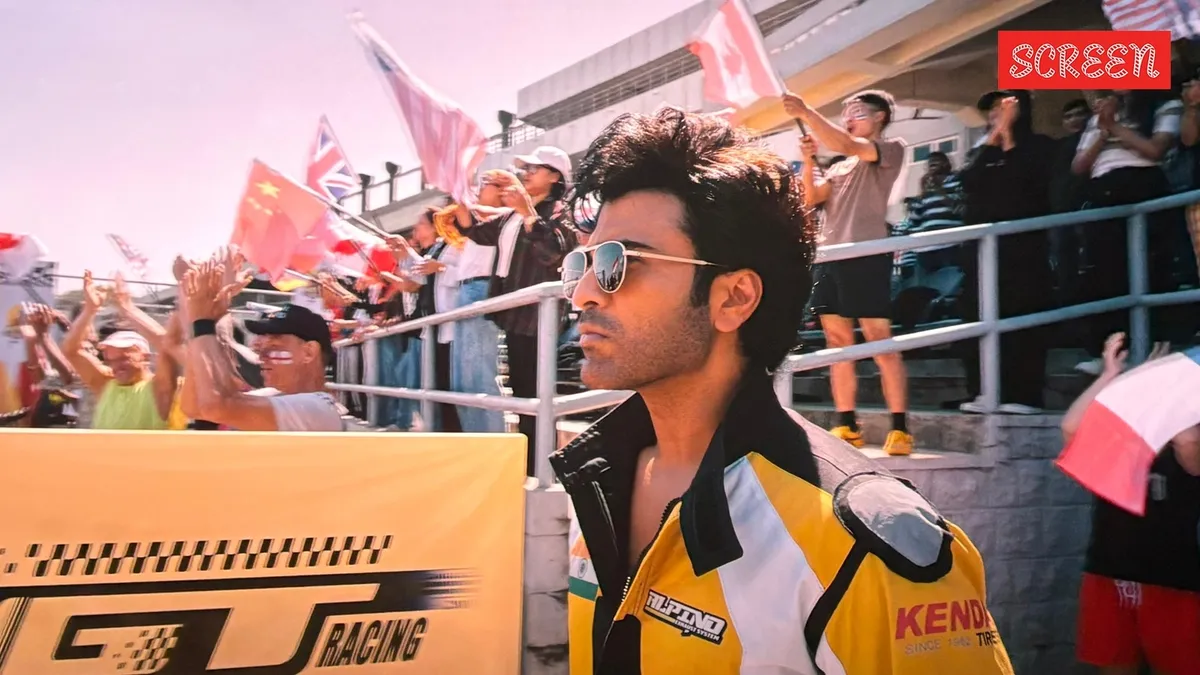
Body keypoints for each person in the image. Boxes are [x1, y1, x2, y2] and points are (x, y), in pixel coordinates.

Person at [551, 106, 1013, 674]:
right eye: (584, 263)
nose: (584, 295)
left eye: (621, 262)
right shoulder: (598, 476)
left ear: (734, 298)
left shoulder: (866, 543)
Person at [1062, 333, 1200, 675]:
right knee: (1114, 665)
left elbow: (1189, 443)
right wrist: (1113, 378)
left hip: (1173, 580)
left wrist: (1168, 387)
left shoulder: (1187, 438)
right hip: (1109, 571)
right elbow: (1072, 428)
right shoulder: (1126, 437)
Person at [784, 89, 912, 455]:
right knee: (838, 344)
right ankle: (847, 423)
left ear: (880, 118)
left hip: (866, 255)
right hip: (830, 257)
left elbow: (848, 142)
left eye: (857, 111)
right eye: (846, 112)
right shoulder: (839, 165)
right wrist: (809, 162)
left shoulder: (890, 149)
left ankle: (900, 428)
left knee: (879, 341)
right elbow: (811, 199)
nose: (849, 117)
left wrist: (807, 109)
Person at [454, 147, 577, 473]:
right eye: (525, 168)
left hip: (540, 318)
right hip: (515, 315)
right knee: (524, 394)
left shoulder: (560, 210)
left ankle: (542, 469)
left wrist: (527, 214)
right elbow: (476, 232)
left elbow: (554, 253)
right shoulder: (510, 214)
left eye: (535, 168)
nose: (526, 173)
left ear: (555, 176)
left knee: (536, 395)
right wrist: (462, 195)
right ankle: (532, 466)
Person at [954, 90, 1054, 414]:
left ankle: (1024, 395)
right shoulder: (983, 150)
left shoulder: (1039, 147)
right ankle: (985, 390)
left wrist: (1009, 134)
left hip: (1023, 249)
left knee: (1021, 319)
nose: (997, 114)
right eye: (993, 111)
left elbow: (1027, 179)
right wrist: (997, 135)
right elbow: (968, 181)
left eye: (1004, 108)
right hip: (982, 250)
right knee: (977, 316)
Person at [178, 255, 354, 432]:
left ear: (308, 352)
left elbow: (213, 406)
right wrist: (201, 319)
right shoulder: (276, 395)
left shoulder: (319, 409)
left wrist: (202, 320)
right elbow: (195, 407)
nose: (260, 357)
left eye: (274, 348)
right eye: (261, 349)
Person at [60, 271, 180, 430]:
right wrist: (90, 310)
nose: (117, 367)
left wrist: (127, 309)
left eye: (124, 358)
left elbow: (167, 345)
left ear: (145, 356)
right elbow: (70, 350)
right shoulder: (105, 384)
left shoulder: (158, 388)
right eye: (111, 360)